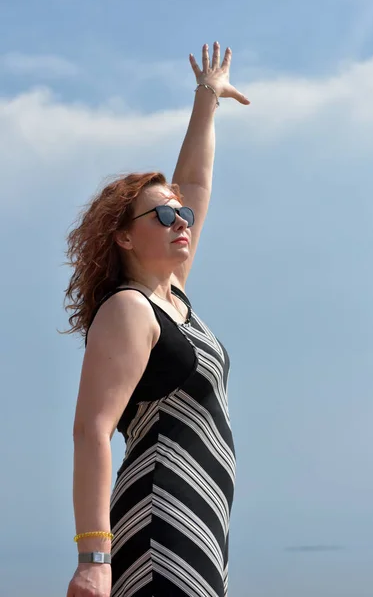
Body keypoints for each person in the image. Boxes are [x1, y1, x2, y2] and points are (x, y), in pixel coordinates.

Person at [65, 42, 250, 597]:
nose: (181, 219)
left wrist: (206, 100)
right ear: (124, 235)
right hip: (159, 518)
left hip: (198, 521)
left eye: (183, 214)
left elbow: (194, 181)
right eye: (164, 215)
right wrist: (95, 557)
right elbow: (91, 430)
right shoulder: (129, 309)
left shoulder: (176, 301)